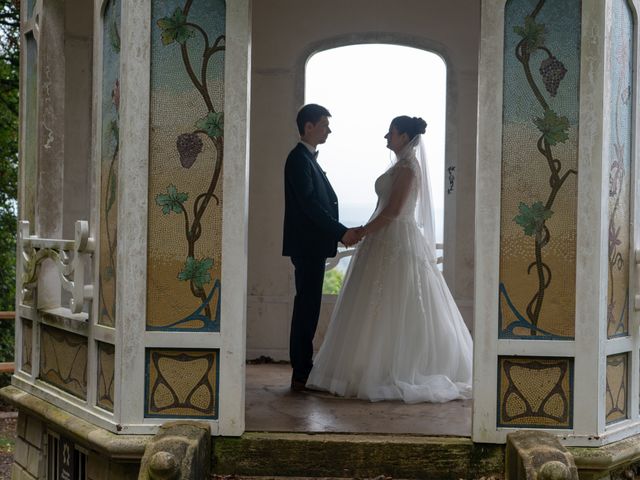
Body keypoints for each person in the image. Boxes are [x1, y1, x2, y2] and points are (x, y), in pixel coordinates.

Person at [307, 115, 472, 403]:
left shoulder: (409, 169)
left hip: (397, 239)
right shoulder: (398, 167)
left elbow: (394, 212)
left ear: (405, 137)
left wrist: (362, 231)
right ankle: (366, 366)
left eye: (391, 133)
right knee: (371, 305)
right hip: (382, 240)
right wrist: (365, 232)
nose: (386, 137)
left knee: (398, 301)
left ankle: (394, 368)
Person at [283, 103, 363, 392]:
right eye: (325, 124)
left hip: (312, 246)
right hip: (307, 246)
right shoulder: (298, 160)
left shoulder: (308, 159)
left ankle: (303, 369)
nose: (329, 129)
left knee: (309, 308)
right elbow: (310, 205)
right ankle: (301, 372)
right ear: (309, 127)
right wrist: (342, 232)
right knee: (306, 309)